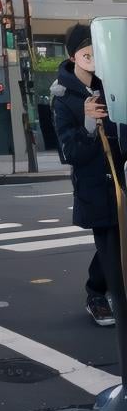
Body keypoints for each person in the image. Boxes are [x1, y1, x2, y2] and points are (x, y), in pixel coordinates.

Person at [52, 23, 126, 365]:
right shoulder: (62, 97)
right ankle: (102, 297)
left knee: (117, 243)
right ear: (73, 56)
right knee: (111, 245)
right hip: (95, 186)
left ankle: (97, 288)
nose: (94, 59)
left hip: (121, 181)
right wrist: (86, 125)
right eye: (87, 53)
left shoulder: (113, 85)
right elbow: (70, 153)